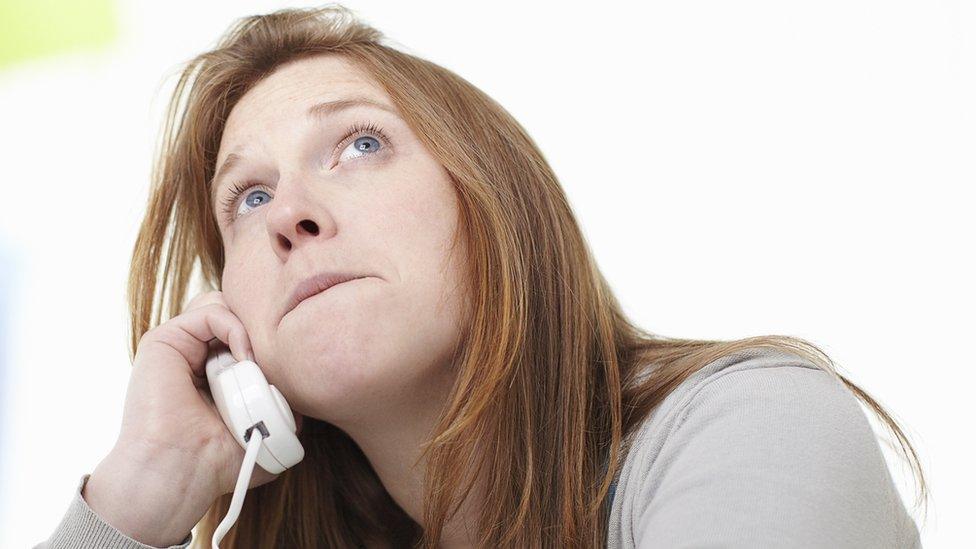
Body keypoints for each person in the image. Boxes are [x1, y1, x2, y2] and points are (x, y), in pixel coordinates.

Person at [35, 4, 927, 548]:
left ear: (496, 201)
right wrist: (136, 498)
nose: (288, 215)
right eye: (249, 196)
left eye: (360, 143)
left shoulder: (752, 424)